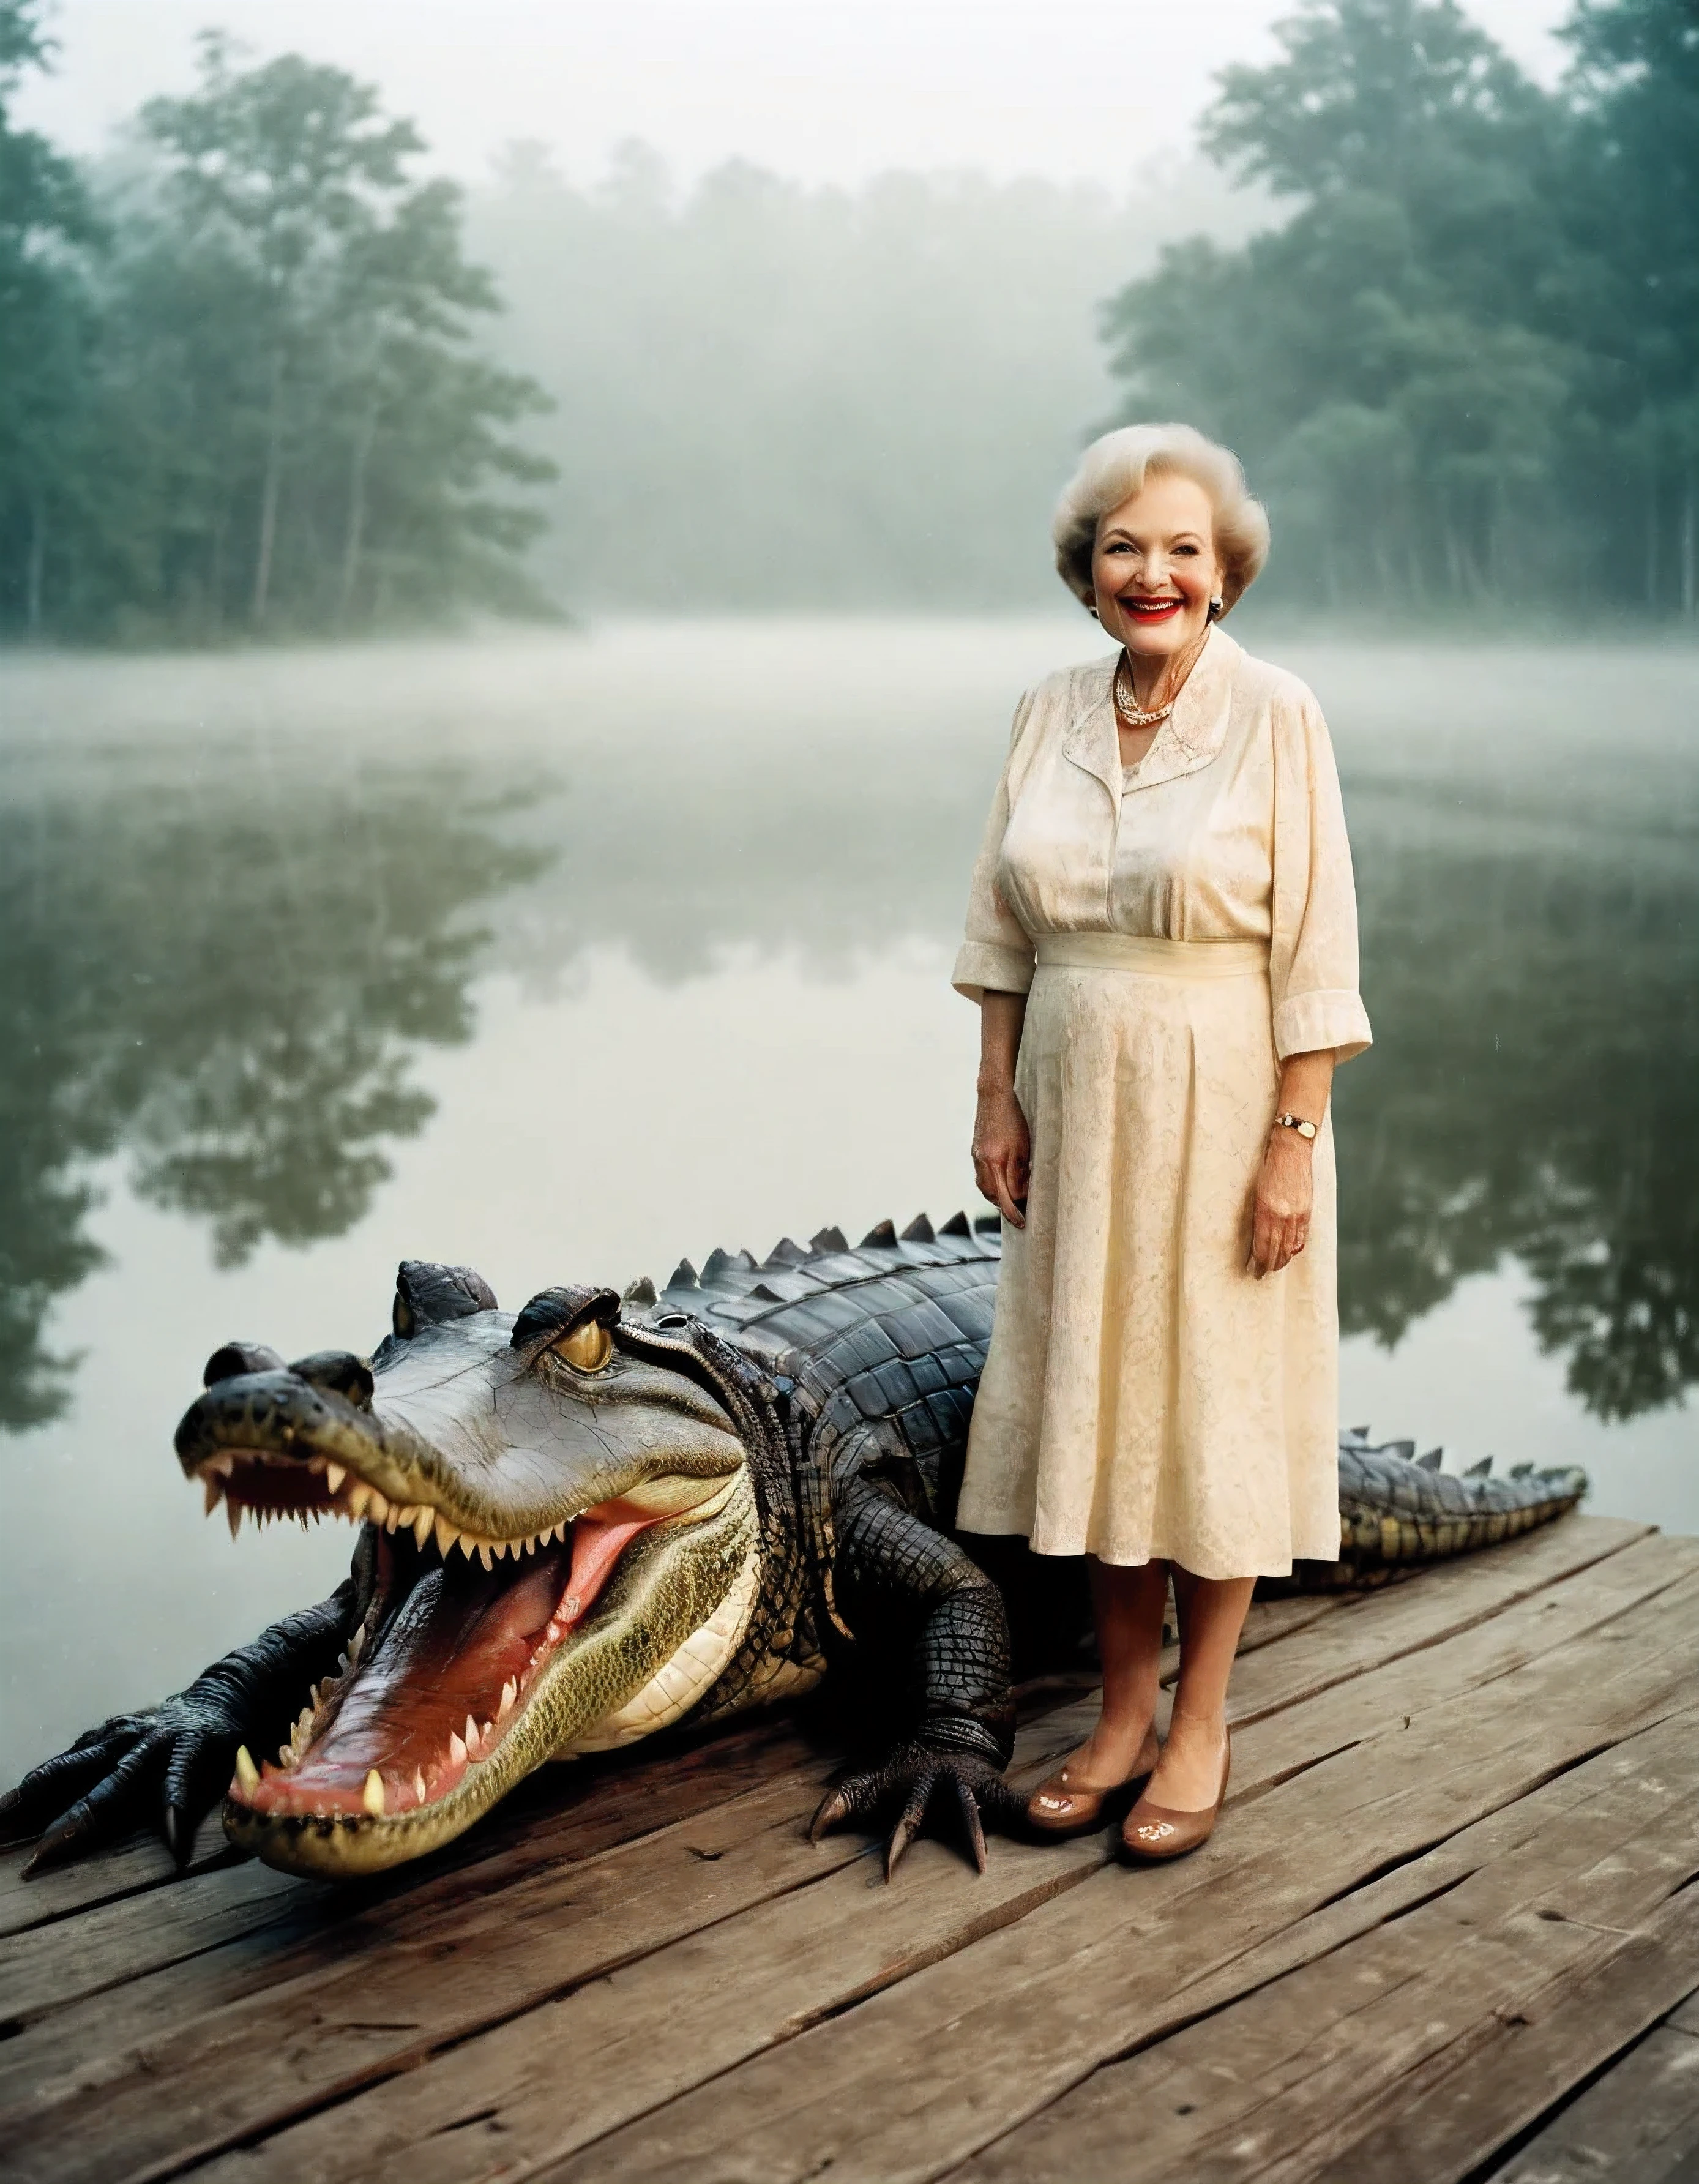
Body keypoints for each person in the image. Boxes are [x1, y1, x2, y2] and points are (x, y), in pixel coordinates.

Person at [954, 422, 1371, 1860]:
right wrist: (993, 1092)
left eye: (1182, 548)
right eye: (1124, 546)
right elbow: (1001, 929)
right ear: (1086, 573)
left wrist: (1292, 1138)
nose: (1154, 572)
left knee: (1206, 1404)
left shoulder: (1276, 714)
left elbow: (1317, 949)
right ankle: (1120, 1710)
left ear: (1223, 572)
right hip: (1073, 1095)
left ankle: (1200, 1723)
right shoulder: (1044, 710)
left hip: (1219, 1096)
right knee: (1102, 1396)